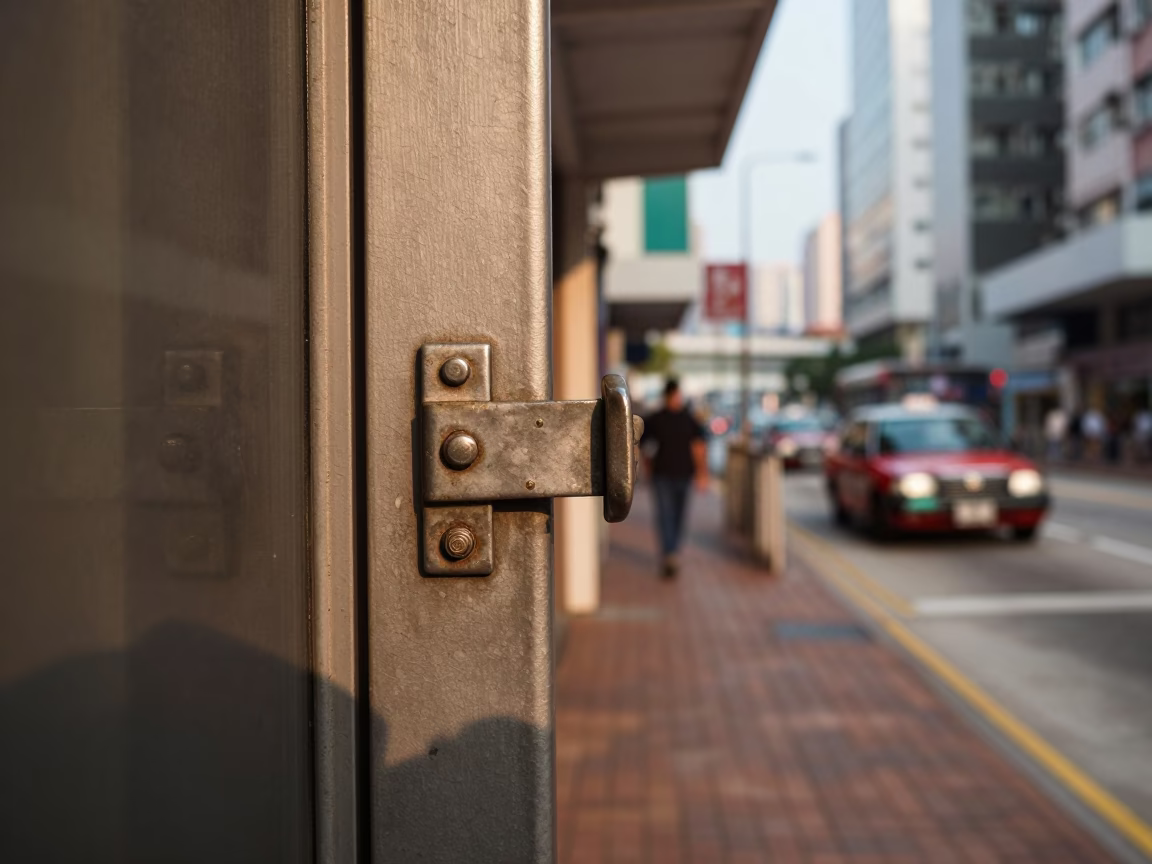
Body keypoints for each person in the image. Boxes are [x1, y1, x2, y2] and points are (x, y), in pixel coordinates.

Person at [640, 380, 709, 577]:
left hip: (684, 475)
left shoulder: (689, 419)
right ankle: (669, 553)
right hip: (661, 475)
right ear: (668, 396)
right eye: (674, 395)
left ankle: (673, 551)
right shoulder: (656, 419)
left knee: (679, 516)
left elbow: (699, 447)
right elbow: (644, 445)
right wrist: (647, 468)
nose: (676, 399)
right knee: (664, 516)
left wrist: (703, 473)